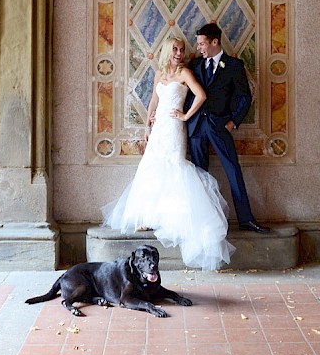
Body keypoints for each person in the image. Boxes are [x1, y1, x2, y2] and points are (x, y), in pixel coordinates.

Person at [102, 36, 236, 271]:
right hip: (159, 128)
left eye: (182, 50)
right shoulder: (159, 73)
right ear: (166, 50)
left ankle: (172, 218)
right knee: (151, 167)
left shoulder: (185, 74)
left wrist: (185, 116)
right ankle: (148, 217)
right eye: (175, 49)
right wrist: (147, 125)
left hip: (174, 128)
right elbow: (153, 99)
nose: (179, 53)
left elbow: (201, 96)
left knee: (174, 166)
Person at [186, 23, 270, 233]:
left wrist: (233, 121)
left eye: (202, 43)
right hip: (196, 127)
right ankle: (201, 221)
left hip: (219, 125)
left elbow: (244, 96)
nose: (199, 48)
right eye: (198, 44)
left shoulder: (234, 65)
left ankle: (246, 219)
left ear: (215, 42)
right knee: (198, 174)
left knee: (233, 169)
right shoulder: (195, 65)